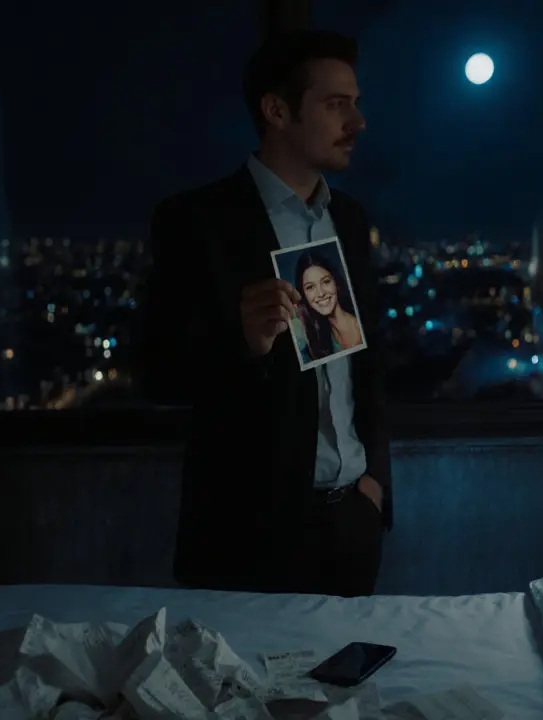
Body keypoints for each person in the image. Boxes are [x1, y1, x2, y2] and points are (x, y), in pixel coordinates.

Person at [135, 30, 391, 598]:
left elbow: (366, 369)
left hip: (351, 523)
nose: (359, 121)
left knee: (348, 685)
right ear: (277, 110)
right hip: (249, 535)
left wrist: (374, 489)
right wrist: (241, 342)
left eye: (356, 101)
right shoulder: (196, 220)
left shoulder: (348, 219)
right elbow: (156, 372)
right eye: (336, 104)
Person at [291, 249, 364, 363]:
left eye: (326, 282)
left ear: (336, 283)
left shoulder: (361, 326)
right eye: (310, 287)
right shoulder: (318, 337)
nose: (320, 294)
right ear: (303, 294)